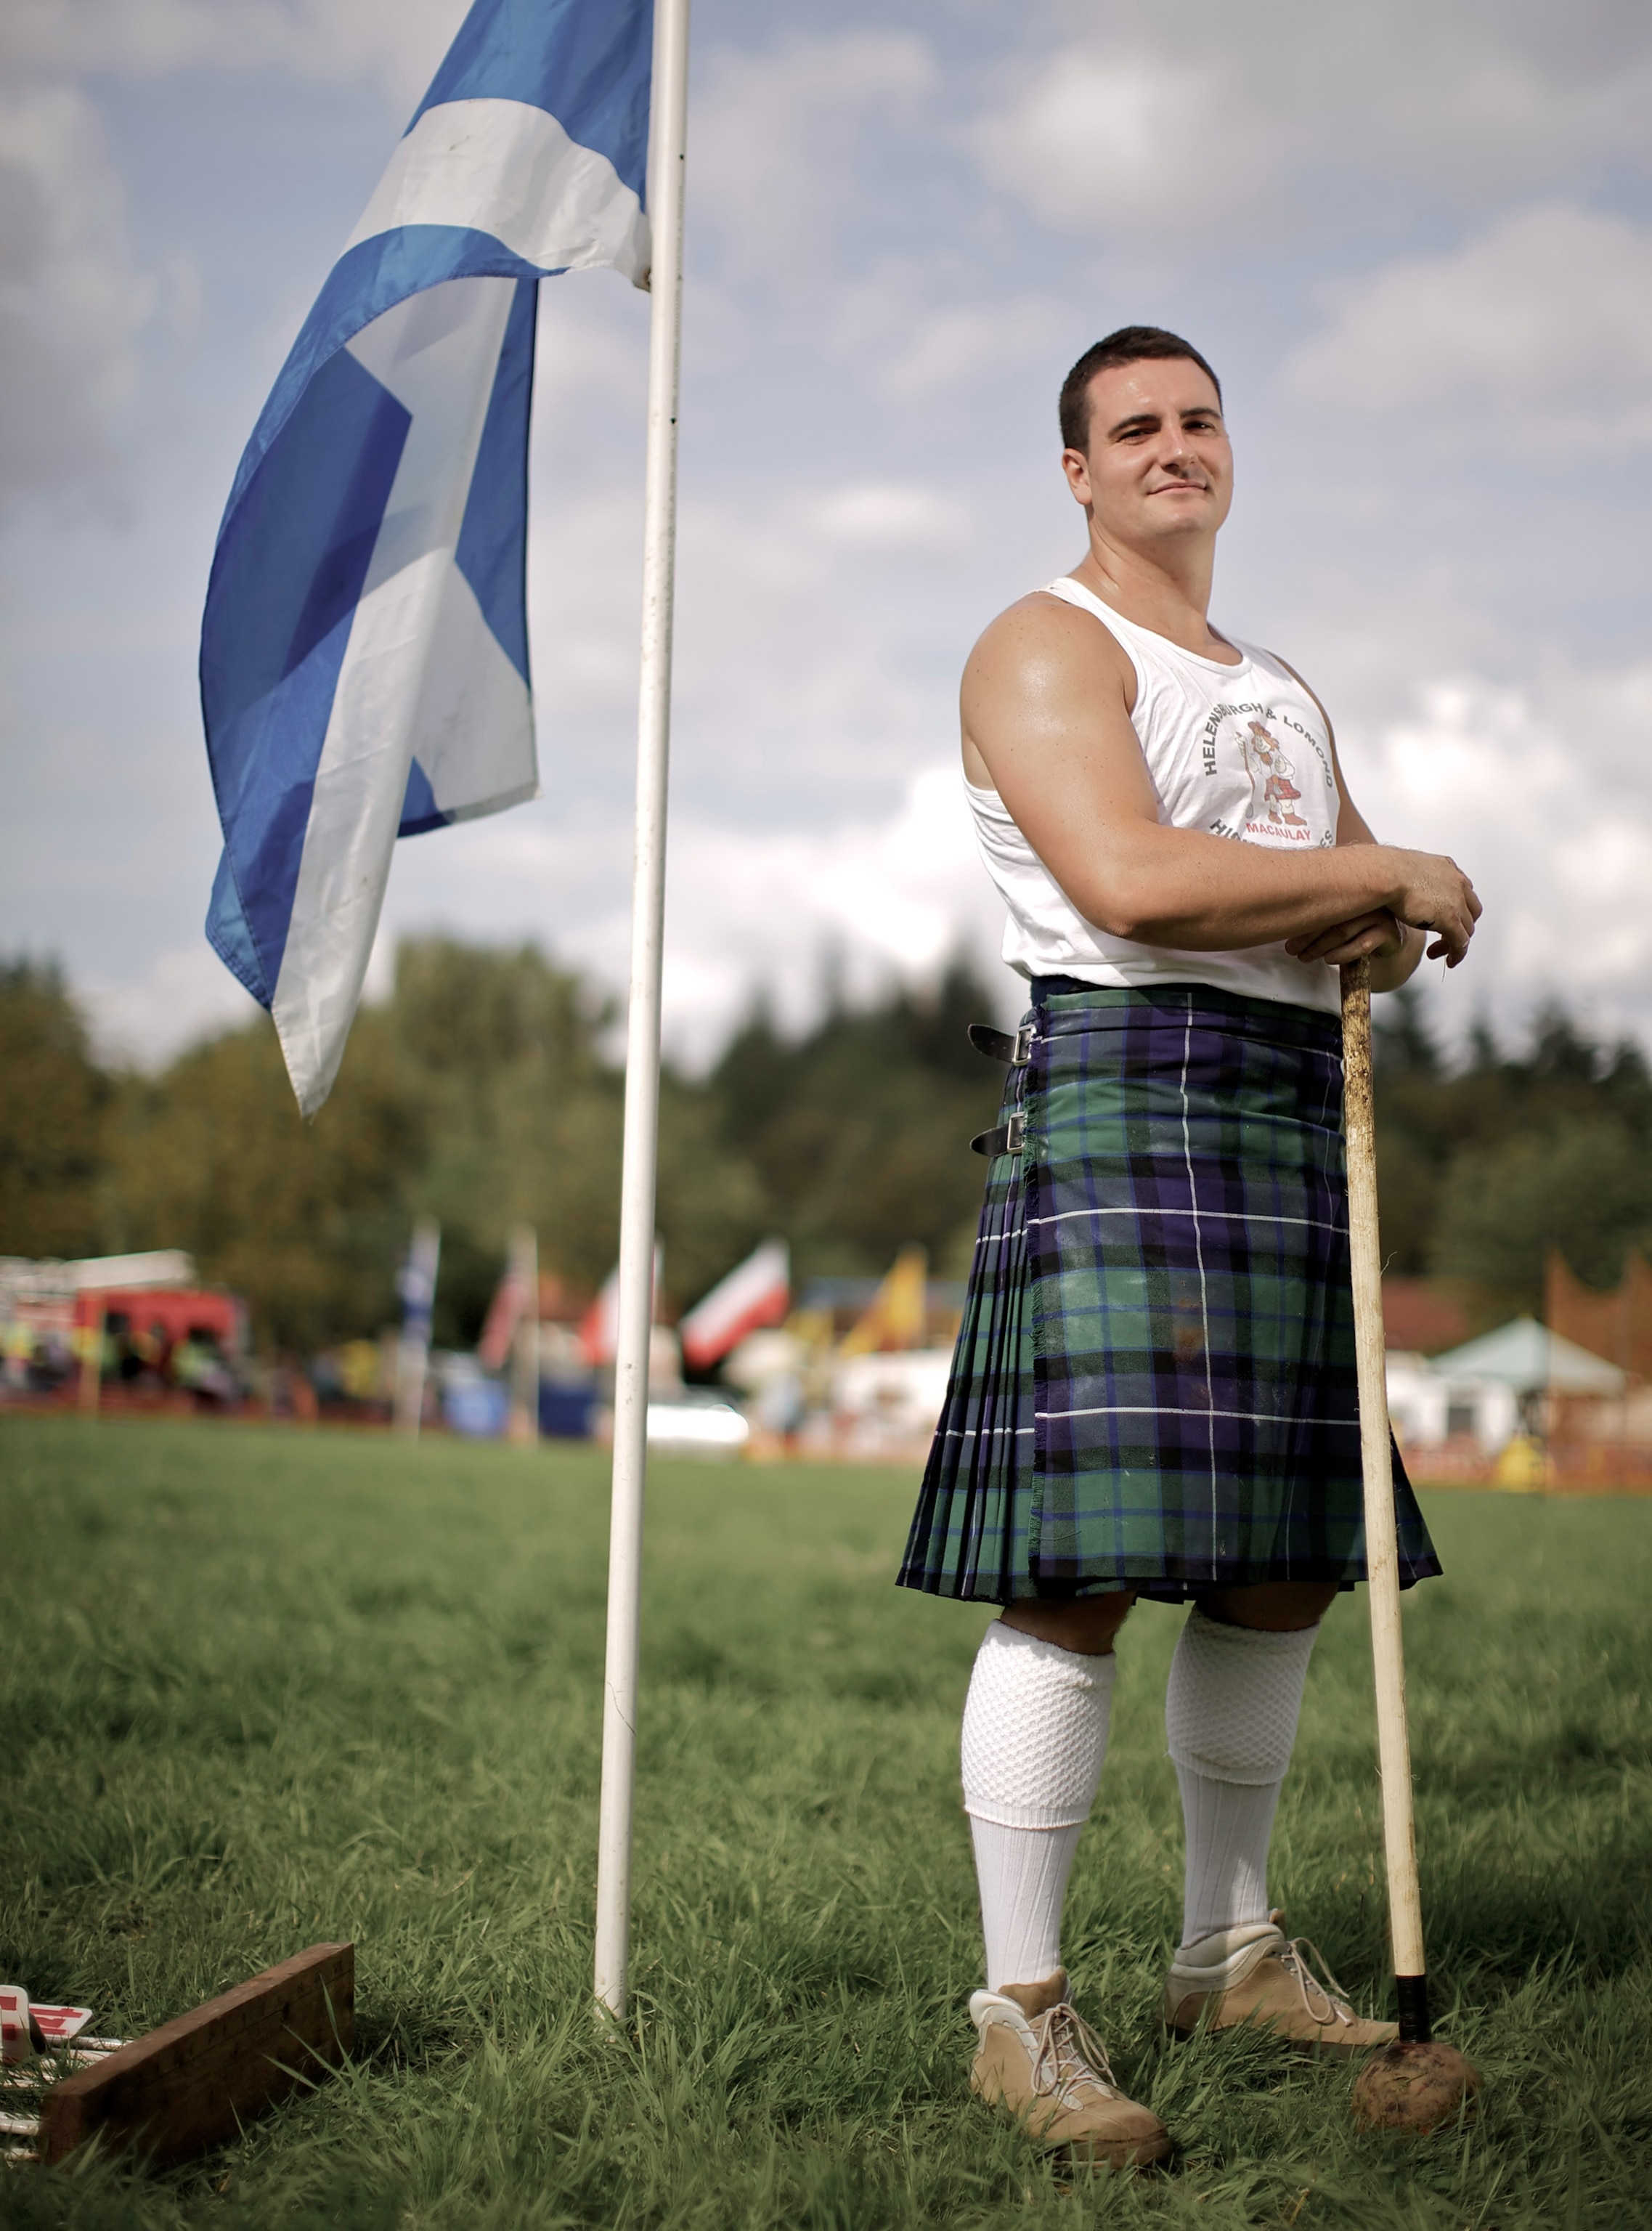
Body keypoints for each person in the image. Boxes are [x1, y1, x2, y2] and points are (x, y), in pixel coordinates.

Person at [896, 327, 1480, 2166]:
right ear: (1075, 470)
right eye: (1132, 427)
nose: (1172, 446)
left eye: (1198, 418)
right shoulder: (1046, 642)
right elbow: (1131, 880)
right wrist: (1385, 886)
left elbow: (1351, 904)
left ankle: (1224, 1950)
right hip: (1129, 1094)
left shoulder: (1280, 686)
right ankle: (1022, 2013)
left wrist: (1382, 918)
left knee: (1286, 1566)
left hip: (1290, 1104)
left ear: (1232, 449)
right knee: (1077, 1576)